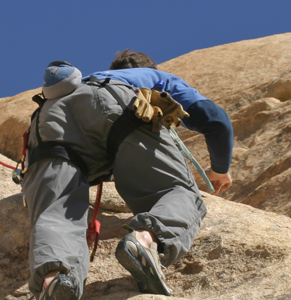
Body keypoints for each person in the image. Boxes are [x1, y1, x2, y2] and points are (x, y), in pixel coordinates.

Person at [22, 51, 234, 300]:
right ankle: (144, 241)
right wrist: (220, 170)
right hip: (117, 107)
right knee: (175, 191)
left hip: (47, 121)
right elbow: (216, 121)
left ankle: (54, 279)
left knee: (55, 213)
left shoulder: (82, 80)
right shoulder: (155, 76)